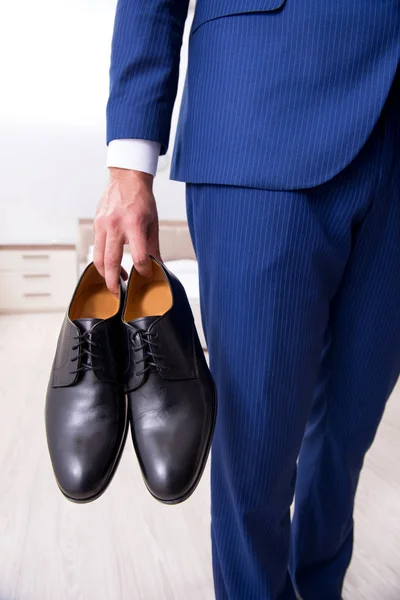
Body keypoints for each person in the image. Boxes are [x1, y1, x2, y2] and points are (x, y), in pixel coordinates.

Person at [93, 1, 400, 598]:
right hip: (263, 105)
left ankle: (319, 586)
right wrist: (130, 167)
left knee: (346, 438)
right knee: (254, 453)